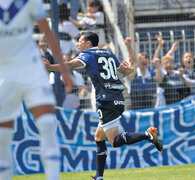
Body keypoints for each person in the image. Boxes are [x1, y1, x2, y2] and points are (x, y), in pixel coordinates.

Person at [44, 32, 163, 180]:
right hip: (117, 97)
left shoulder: (88, 54)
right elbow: (125, 71)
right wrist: (131, 69)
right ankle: (99, 177)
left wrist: (50, 67)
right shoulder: (108, 53)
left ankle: (147, 135)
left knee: (114, 141)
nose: (77, 44)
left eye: (80, 41)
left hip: (106, 101)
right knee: (99, 137)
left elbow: (70, 64)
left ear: (88, 44)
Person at [0, 0, 73, 180]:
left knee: (48, 123)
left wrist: (64, 69)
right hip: (4, 73)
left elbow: (48, 33)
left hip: (31, 68)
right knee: (2, 137)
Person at [124, 37, 157, 110]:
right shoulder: (135, 71)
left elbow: (159, 79)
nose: (144, 60)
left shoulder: (151, 71)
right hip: (136, 102)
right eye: (142, 58)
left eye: (146, 58)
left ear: (148, 61)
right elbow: (130, 77)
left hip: (149, 102)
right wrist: (129, 47)